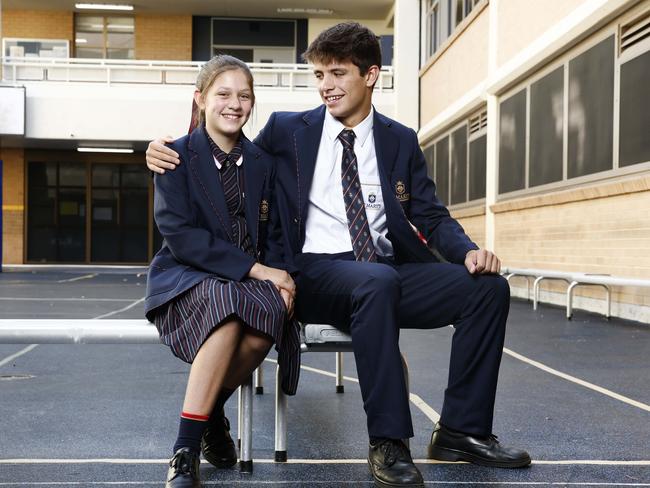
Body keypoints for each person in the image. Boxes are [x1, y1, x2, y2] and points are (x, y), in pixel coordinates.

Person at [146, 23, 530, 488]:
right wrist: (163, 149)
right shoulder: (287, 130)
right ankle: (388, 442)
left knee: (487, 288)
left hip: (386, 269)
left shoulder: (399, 139)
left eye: (337, 73)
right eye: (319, 75)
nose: (326, 85)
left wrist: (467, 252)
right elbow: (222, 144)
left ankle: (460, 430)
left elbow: (429, 215)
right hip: (315, 271)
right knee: (375, 282)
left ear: (371, 75)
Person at [144, 54, 300, 488]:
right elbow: (180, 236)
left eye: (244, 95)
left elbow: (273, 234)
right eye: (224, 94)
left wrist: (281, 275)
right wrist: (258, 270)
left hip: (251, 278)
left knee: (268, 315)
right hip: (188, 275)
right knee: (229, 313)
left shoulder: (262, 163)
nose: (235, 104)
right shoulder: (173, 156)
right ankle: (185, 450)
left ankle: (208, 411)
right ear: (200, 99)